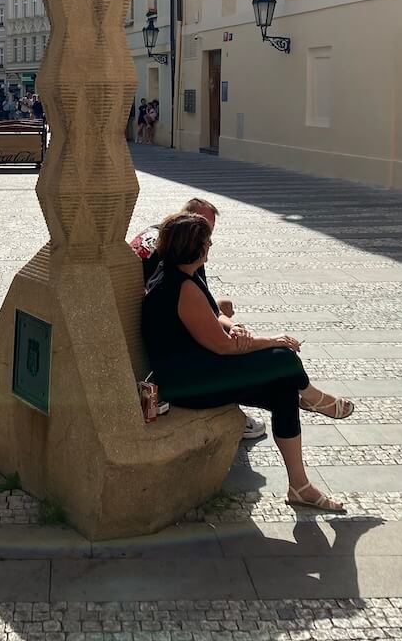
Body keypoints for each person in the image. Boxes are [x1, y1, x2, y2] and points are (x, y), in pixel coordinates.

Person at [142, 212, 354, 512]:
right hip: (187, 385)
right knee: (283, 358)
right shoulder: (181, 286)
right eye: (207, 241)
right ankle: (316, 399)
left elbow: (215, 322)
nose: (211, 245)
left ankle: (300, 486)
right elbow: (224, 347)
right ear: (195, 247)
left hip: (200, 370)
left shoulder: (180, 273)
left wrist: (233, 327)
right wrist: (274, 340)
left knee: (283, 389)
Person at [130, 198, 264, 439]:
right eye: (205, 230)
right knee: (218, 334)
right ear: (190, 221)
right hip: (159, 330)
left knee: (223, 311)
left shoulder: (166, 235)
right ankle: (232, 407)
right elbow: (200, 306)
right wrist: (266, 339)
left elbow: (208, 303)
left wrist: (230, 323)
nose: (209, 239)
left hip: (142, 314)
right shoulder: (186, 248)